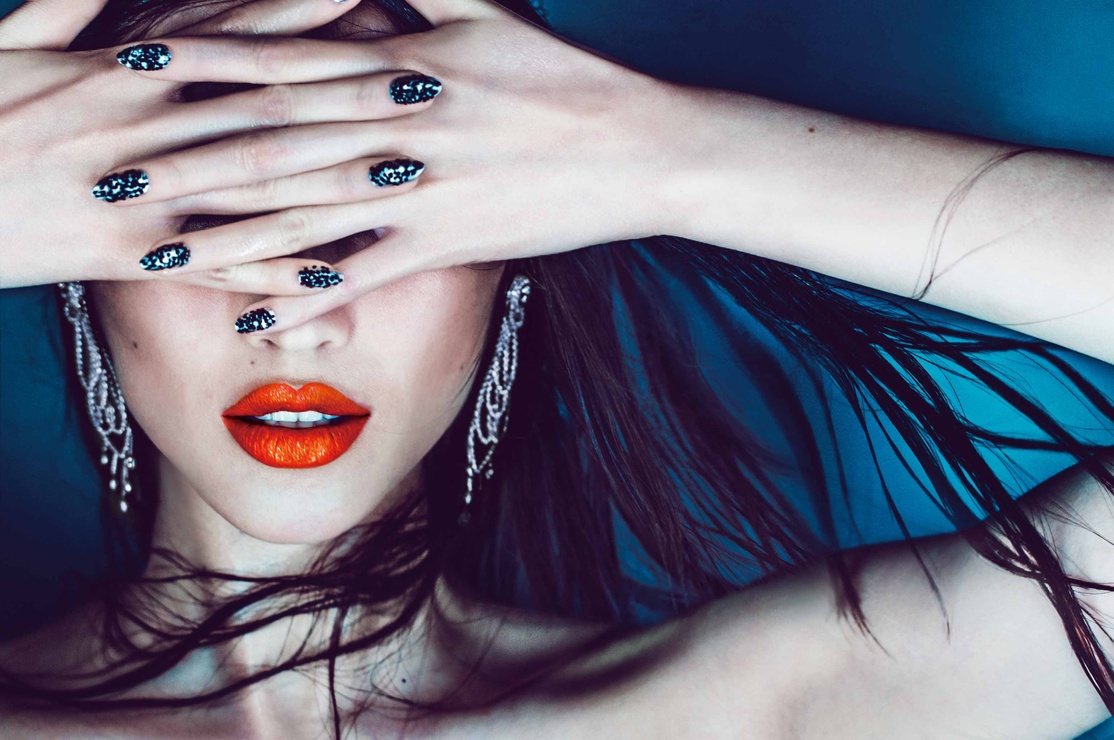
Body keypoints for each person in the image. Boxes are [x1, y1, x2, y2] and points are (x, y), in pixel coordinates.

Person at [0, 0, 1111, 737]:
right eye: (205, 211)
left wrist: (667, 155)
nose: (298, 318)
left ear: (510, 272)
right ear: (79, 274)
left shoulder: (762, 712)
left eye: (381, 208)